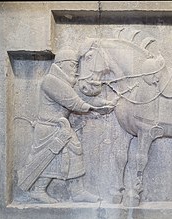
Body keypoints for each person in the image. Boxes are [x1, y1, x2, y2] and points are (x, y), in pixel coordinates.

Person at [18, 47, 115, 203]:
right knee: (47, 158)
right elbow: (73, 102)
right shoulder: (51, 81)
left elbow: (82, 97)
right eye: (72, 65)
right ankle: (38, 190)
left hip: (60, 127)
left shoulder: (64, 82)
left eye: (76, 66)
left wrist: (103, 103)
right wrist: (94, 109)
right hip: (50, 128)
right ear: (61, 64)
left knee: (73, 154)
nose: (75, 69)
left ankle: (77, 192)